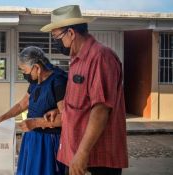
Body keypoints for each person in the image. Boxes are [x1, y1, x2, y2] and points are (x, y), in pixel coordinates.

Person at [40, 5, 128, 175]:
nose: (56, 42)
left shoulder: (100, 57)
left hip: (95, 158)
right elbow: (82, 103)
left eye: (57, 37)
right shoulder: (76, 60)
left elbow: (100, 109)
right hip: (75, 152)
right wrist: (61, 113)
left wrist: (82, 153)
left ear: (71, 33)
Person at [0, 46, 67, 175]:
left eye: (24, 70)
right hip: (31, 137)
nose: (24, 74)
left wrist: (36, 123)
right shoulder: (35, 80)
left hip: (48, 142)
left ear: (37, 68)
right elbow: (22, 104)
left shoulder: (58, 81)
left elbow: (66, 118)